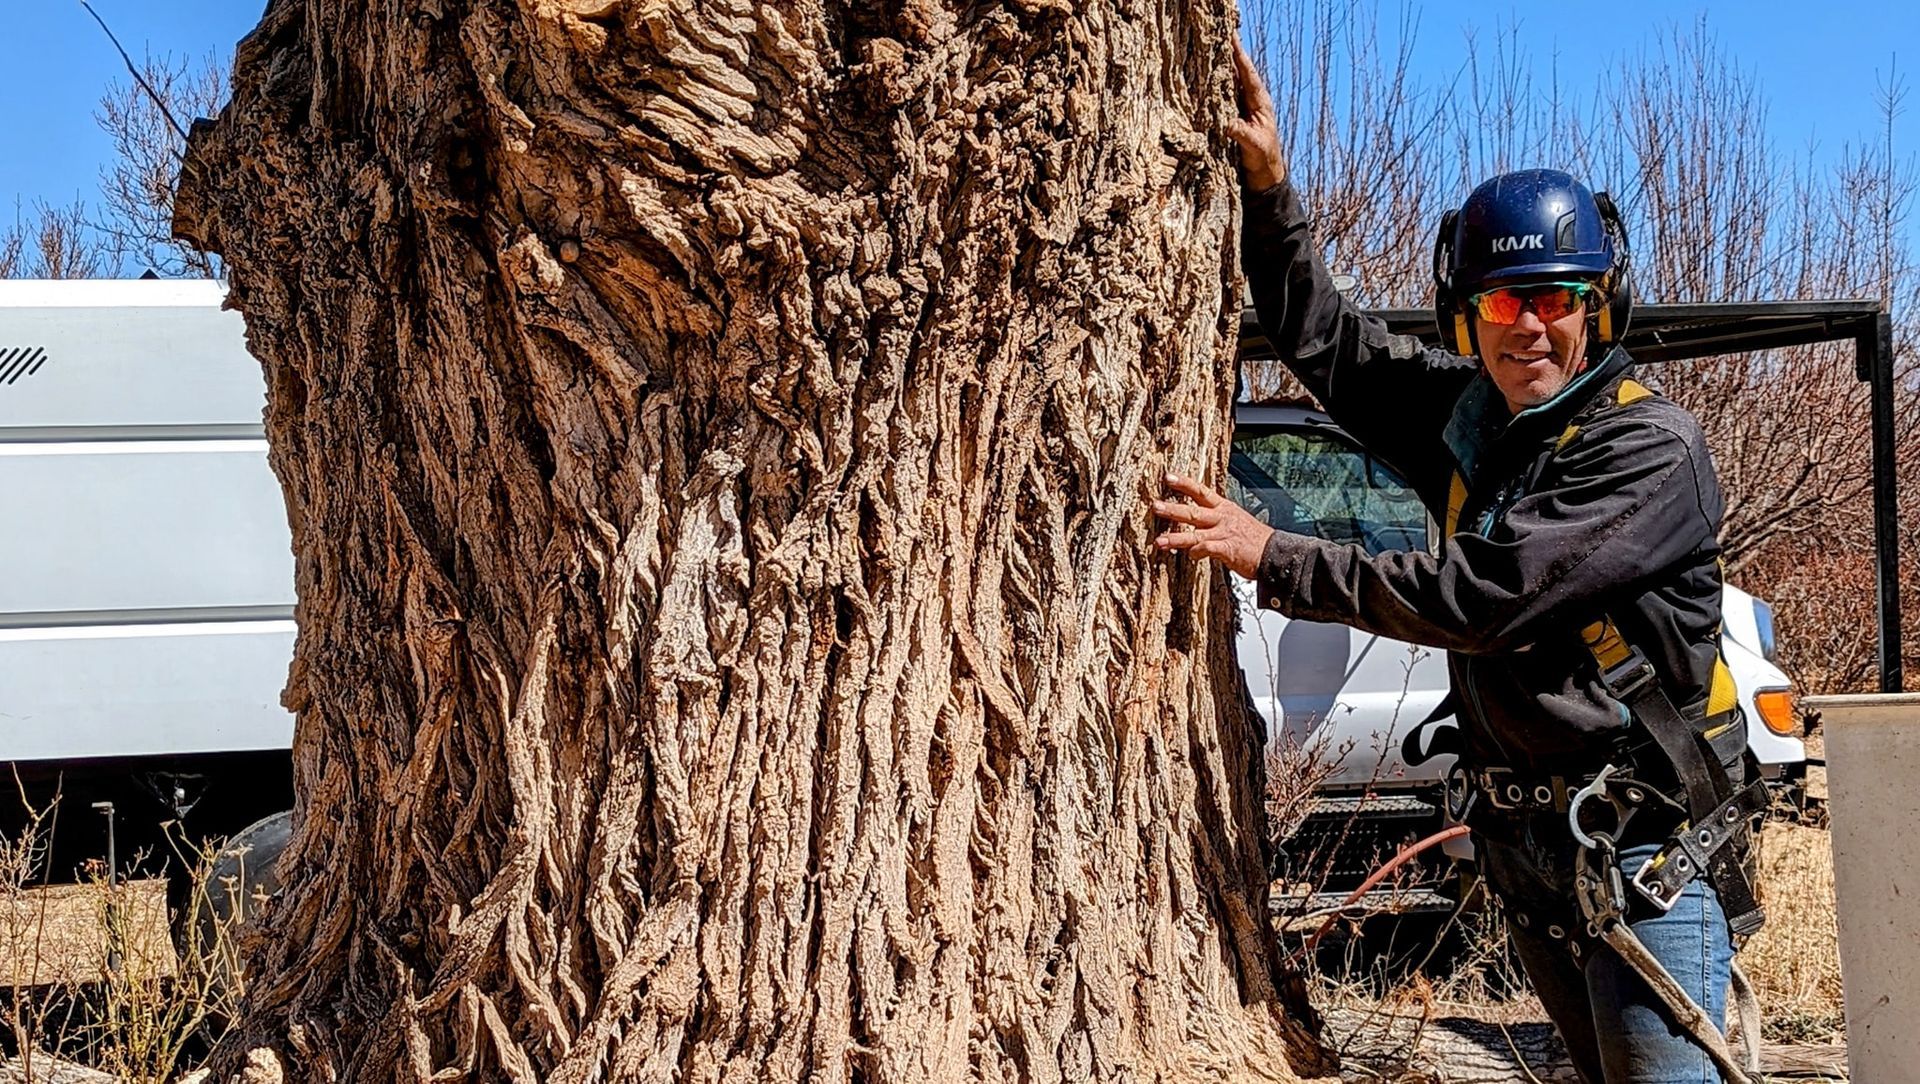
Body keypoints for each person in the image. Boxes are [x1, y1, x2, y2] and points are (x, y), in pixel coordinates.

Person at [1151, 42, 1767, 1084]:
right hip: (1531, 855)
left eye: (1555, 298)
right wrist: (1269, 193)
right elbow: (1331, 344)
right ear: (1466, 314)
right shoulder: (1469, 418)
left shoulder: (1648, 449)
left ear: (1598, 307)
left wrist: (1274, 553)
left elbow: (1487, 596)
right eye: (1500, 303)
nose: (1528, 326)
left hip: (1640, 857)